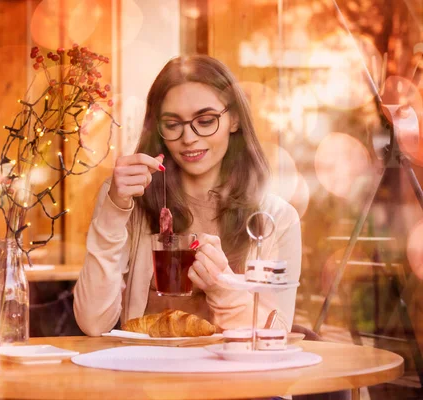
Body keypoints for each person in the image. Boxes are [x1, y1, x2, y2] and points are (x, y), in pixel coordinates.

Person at [73, 54, 301, 336]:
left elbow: (275, 336)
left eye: (205, 121)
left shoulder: (276, 219)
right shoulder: (128, 199)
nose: (189, 137)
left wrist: (223, 288)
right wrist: (114, 209)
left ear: (235, 120)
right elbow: (93, 323)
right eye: (172, 124)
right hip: (142, 375)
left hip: (232, 378)